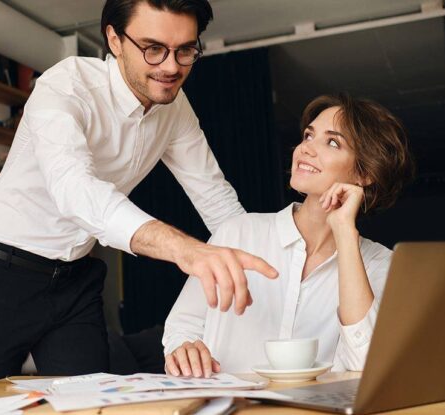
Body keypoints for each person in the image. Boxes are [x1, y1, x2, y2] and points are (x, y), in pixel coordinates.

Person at [0, 0, 278, 387]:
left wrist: (278, 266)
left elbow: (217, 200)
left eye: (185, 50)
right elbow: (75, 191)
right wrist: (184, 249)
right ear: (114, 39)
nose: (171, 67)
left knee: (92, 402)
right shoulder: (65, 86)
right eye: (153, 48)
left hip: (74, 281)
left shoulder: (175, 109)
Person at [163, 93, 415, 377]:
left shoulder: (381, 265)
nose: (306, 148)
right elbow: (182, 326)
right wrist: (184, 348)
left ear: (365, 173)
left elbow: (366, 365)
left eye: (333, 142)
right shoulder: (238, 232)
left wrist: (345, 232)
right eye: (308, 136)